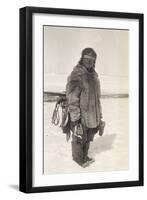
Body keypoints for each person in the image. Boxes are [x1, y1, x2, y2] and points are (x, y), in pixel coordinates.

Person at [66, 47, 104, 168]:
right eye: (87, 59)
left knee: (88, 136)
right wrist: (75, 117)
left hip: (92, 114)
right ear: (82, 59)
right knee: (79, 137)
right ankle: (78, 158)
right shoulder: (77, 74)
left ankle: (85, 156)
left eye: (92, 60)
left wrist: (100, 115)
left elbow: (97, 99)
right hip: (81, 114)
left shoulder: (94, 76)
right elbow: (72, 98)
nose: (89, 62)